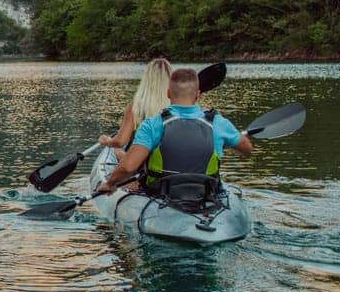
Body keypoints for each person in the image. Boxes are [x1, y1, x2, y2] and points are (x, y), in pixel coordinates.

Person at [96, 66, 251, 195]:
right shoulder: (218, 122)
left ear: (169, 94)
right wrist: (224, 143)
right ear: (197, 94)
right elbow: (246, 149)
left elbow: (128, 167)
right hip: (206, 194)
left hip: (160, 193)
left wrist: (110, 183)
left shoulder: (153, 124)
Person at [99, 57, 171, 150]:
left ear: (147, 79)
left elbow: (120, 141)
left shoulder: (136, 106)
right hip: (169, 154)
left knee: (117, 152)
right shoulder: (177, 104)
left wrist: (107, 141)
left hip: (141, 156)